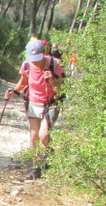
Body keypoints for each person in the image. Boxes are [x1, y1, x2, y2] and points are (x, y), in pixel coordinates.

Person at [6, 38, 64, 179]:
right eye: (32, 58)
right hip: (33, 102)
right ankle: (35, 168)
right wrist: (13, 91)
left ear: (43, 53)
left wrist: (52, 79)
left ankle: (49, 156)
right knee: (34, 136)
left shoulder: (53, 63)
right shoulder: (27, 65)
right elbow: (23, 82)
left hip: (52, 103)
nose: (35, 61)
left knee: (43, 135)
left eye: (37, 58)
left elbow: (61, 87)